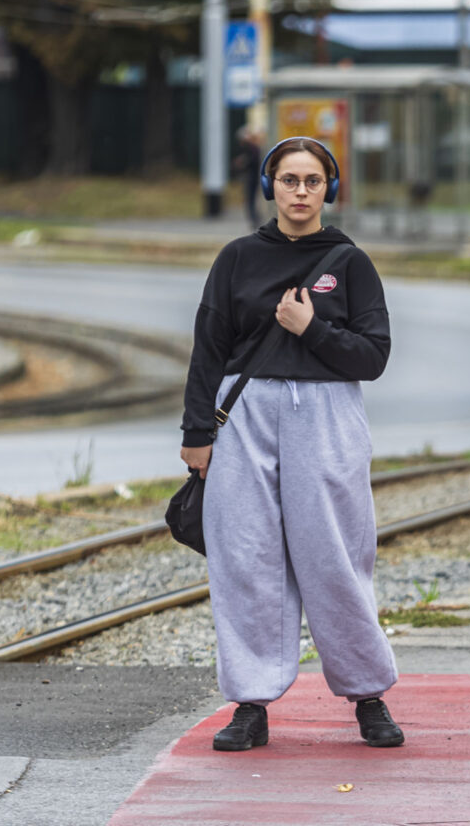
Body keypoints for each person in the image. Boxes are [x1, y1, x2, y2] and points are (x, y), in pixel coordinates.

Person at [180, 137, 404, 751]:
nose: (300, 192)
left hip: (327, 416)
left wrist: (313, 328)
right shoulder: (237, 258)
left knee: (336, 554)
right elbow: (209, 348)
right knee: (245, 558)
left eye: (312, 181)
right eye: (288, 180)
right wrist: (197, 433)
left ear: (329, 188)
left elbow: (375, 356)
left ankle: (368, 694)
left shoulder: (350, 263)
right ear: (268, 186)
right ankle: (251, 703)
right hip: (243, 416)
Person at [232, 126, 264, 229]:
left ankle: (255, 219)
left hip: (252, 177)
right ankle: (255, 219)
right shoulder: (252, 148)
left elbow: (251, 161)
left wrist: (243, 163)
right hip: (252, 177)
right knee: (251, 200)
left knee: (251, 200)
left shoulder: (252, 148)